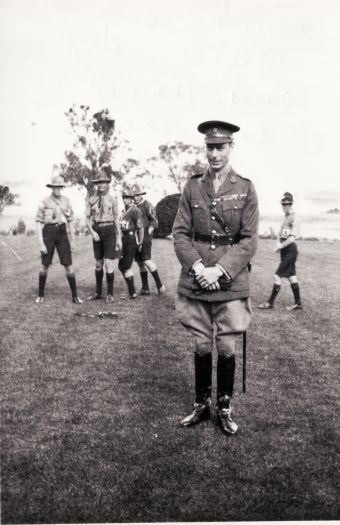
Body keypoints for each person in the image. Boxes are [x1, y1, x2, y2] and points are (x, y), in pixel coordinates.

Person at [172, 120, 259, 435]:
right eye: (210, 147)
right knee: (200, 344)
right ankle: (200, 406)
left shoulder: (246, 188)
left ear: (230, 147)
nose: (214, 153)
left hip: (230, 281)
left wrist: (219, 270)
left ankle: (224, 408)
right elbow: (180, 233)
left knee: (225, 346)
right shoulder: (193, 185)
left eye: (220, 147)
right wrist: (198, 268)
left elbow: (249, 240)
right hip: (196, 279)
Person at [35, 173, 82, 304]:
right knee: (44, 265)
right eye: (55, 187)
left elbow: (71, 221)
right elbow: (39, 222)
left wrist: (72, 241)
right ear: (52, 187)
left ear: (62, 188)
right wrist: (41, 243)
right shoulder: (44, 201)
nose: (58, 189)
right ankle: (40, 295)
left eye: (60, 187)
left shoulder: (66, 201)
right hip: (48, 232)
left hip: (62, 232)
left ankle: (75, 296)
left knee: (68, 264)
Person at [258, 192, 302, 311]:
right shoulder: (285, 217)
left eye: (285, 204)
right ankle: (298, 303)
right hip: (285, 250)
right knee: (292, 276)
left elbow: (292, 238)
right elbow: (281, 233)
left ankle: (270, 302)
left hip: (291, 250)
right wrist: (279, 243)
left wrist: (280, 246)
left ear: (290, 204)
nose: (283, 206)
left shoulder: (295, 218)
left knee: (277, 276)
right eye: (282, 204)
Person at [85, 171, 122, 302]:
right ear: (96, 184)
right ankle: (98, 292)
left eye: (104, 182)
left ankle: (110, 294)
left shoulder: (112, 199)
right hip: (97, 231)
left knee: (108, 262)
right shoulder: (91, 199)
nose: (101, 185)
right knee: (98, 263)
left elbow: (117, 219)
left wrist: (119, 238)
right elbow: (87, 218)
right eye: (99, 182)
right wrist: (92, 232)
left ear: (107, 184)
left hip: (109, 230)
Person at [131, 183, 165, 295]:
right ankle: (145, 288)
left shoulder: (147, 204)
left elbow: (154, 220)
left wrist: (147, 234)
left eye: (136, 195)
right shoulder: (132, 207)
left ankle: (160, 286)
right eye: (133, 196)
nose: (135, 197)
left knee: (146, 260)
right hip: (136, 237)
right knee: (140, 263)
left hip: (145, 235)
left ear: (140, 194)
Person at [118, 188, 144, 299]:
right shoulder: (124, 210)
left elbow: (141, 228)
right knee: (121, 265)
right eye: (124, 197)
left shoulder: (135, 210)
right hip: (124, 238)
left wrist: (141, 242)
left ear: (131, 198)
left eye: (127, 197)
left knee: (126, 266)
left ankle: (132, 292)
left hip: (131, 238)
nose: (125, 199)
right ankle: (131, 290)